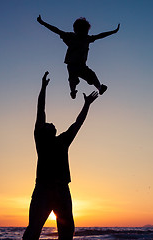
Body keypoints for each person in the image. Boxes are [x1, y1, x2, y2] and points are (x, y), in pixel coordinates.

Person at [23, 71, 98, 240]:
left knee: (67, 231)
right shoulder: (40, 138)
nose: (49, 123)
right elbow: (40, 110)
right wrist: (43, 88)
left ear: (55, 131)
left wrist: (87, 105)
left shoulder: (63, 140)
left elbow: (77, 124)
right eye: (47, 124)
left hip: (62, 189)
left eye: (51, 124)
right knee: (33, 228)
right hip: (43, 188)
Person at [37, 15, 120, 99]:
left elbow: (100, 35)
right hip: (73, 65)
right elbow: (56, 30)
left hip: (80, 66)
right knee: (73, 79)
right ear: (76, 30)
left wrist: (113, 32)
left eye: (86, 31)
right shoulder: (71, 36)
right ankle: (73, 91)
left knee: (90, 75)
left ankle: (99, 88)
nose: (85, 33)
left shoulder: (87, 38)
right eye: (84, 31)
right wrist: (43, 23)